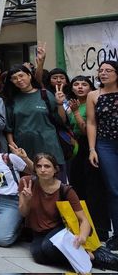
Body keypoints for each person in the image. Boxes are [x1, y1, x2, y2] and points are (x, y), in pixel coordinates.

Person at [18, 153, 93, 268]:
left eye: (47, 166)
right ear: (35, 169)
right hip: (38, 233)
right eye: (39, 166)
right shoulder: (26, 182)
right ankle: (80, 256)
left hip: (59, 230)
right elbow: (23, 213)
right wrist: (27, 200)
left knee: (48, 247)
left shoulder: (65, 190)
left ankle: (85, 255)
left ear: (55, 170)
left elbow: (84, 220)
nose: (42, 170)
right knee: (39, 256)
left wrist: (82, 236)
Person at [65, 75, 111, 243]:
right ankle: (83, 226)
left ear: (91, 87)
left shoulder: (92, 103)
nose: (80, 87)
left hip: (91, 147)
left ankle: (100, 229)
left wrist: (77, 112)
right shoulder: (70, 105)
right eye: (76, 84)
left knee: (95, 190)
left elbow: (86, 130)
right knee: (78, 188)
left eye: (84, 84)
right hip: (75, 150)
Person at [4, 65, 67, 181]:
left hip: (49, 146)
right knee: (30, 188)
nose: (19, 80)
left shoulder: (45, 94)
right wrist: (12, 144)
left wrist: (59, 104)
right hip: (24, 150)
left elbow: (61, 120)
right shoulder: (12, 100)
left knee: (56, 185)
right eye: (14, 78)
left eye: (21, 75)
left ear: (29, 75)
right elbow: (9, 127)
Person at [87, 60, 118, 251]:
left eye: (108, 70)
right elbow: (91, 123)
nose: (103, 73)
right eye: (100, 70)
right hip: (105, 145)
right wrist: (92, 149)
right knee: (114, 190)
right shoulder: (93, 95)